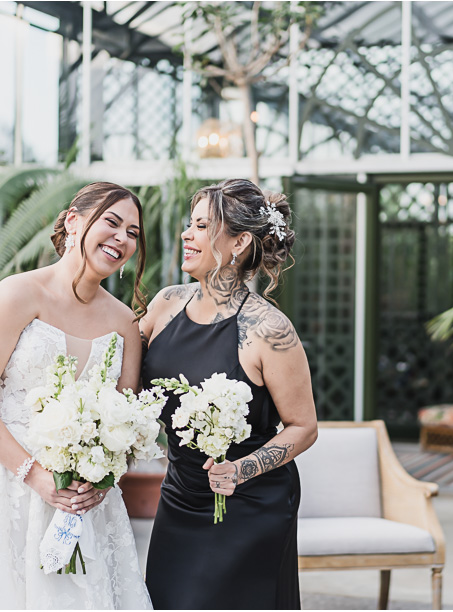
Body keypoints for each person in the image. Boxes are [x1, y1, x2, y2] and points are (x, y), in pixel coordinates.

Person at [0, 183, 153, 609]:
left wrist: (103, 481)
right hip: (4, 484)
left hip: (85, 496)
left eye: (134, 233)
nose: (123, 238)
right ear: (73, 222)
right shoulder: (17, 294)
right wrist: (36, 476)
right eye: (112, 222)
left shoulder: (125, 323)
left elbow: (127, 419)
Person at [141, 179, 317, 609]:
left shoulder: (267, 328)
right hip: (180, 494)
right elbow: (118, 374)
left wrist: (241, 470)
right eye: (190, 223)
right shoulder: (165, 306)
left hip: (248, 502)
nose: (186, 233)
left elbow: (303, 427)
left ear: (239, 242)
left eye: (201, 226)